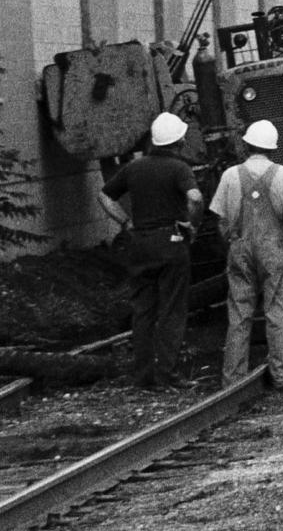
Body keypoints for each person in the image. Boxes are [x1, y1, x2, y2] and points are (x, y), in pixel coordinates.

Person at [98, 112, 204, 389]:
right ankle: (166, 374)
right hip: (171, 242)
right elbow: (195, 198)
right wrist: (191, 224)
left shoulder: (134, 168)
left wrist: (125, 221)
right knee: (172, 310)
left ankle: (142, 376)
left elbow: (104, 195)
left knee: (143, 311)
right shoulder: (179, 168)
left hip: (139, 244)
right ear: (179, 141)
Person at [209, 119, 283, 390]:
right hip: (274, 251)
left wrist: (231, 248)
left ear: (246, 145)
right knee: (278, 312)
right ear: (272, 149)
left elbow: (220, 222)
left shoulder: (230, 176)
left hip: (239, 249)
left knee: (239, 314)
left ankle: (233, 380)